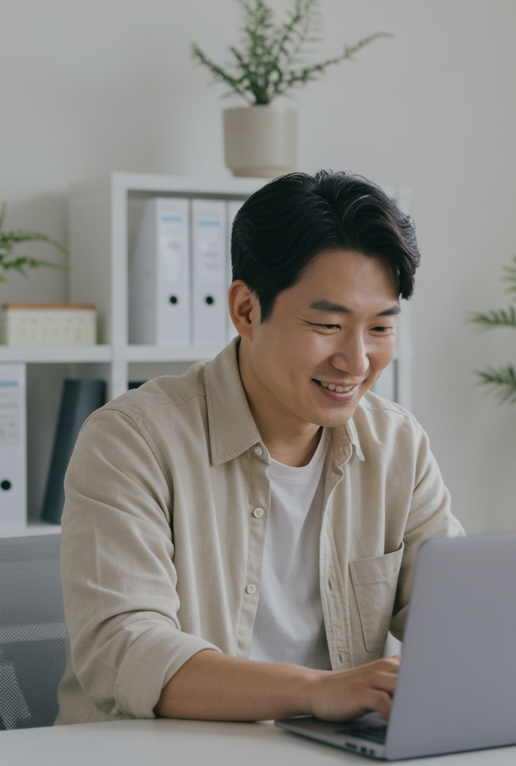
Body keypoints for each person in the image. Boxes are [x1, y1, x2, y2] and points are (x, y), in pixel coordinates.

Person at [56, 171, 463, 725]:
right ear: (247, 310)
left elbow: (460, 614)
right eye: (327, 324)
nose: (357, 361)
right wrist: (320, 690)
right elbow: (126, 651)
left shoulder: (397, 444)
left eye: (380, 329)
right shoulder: (132, 439)